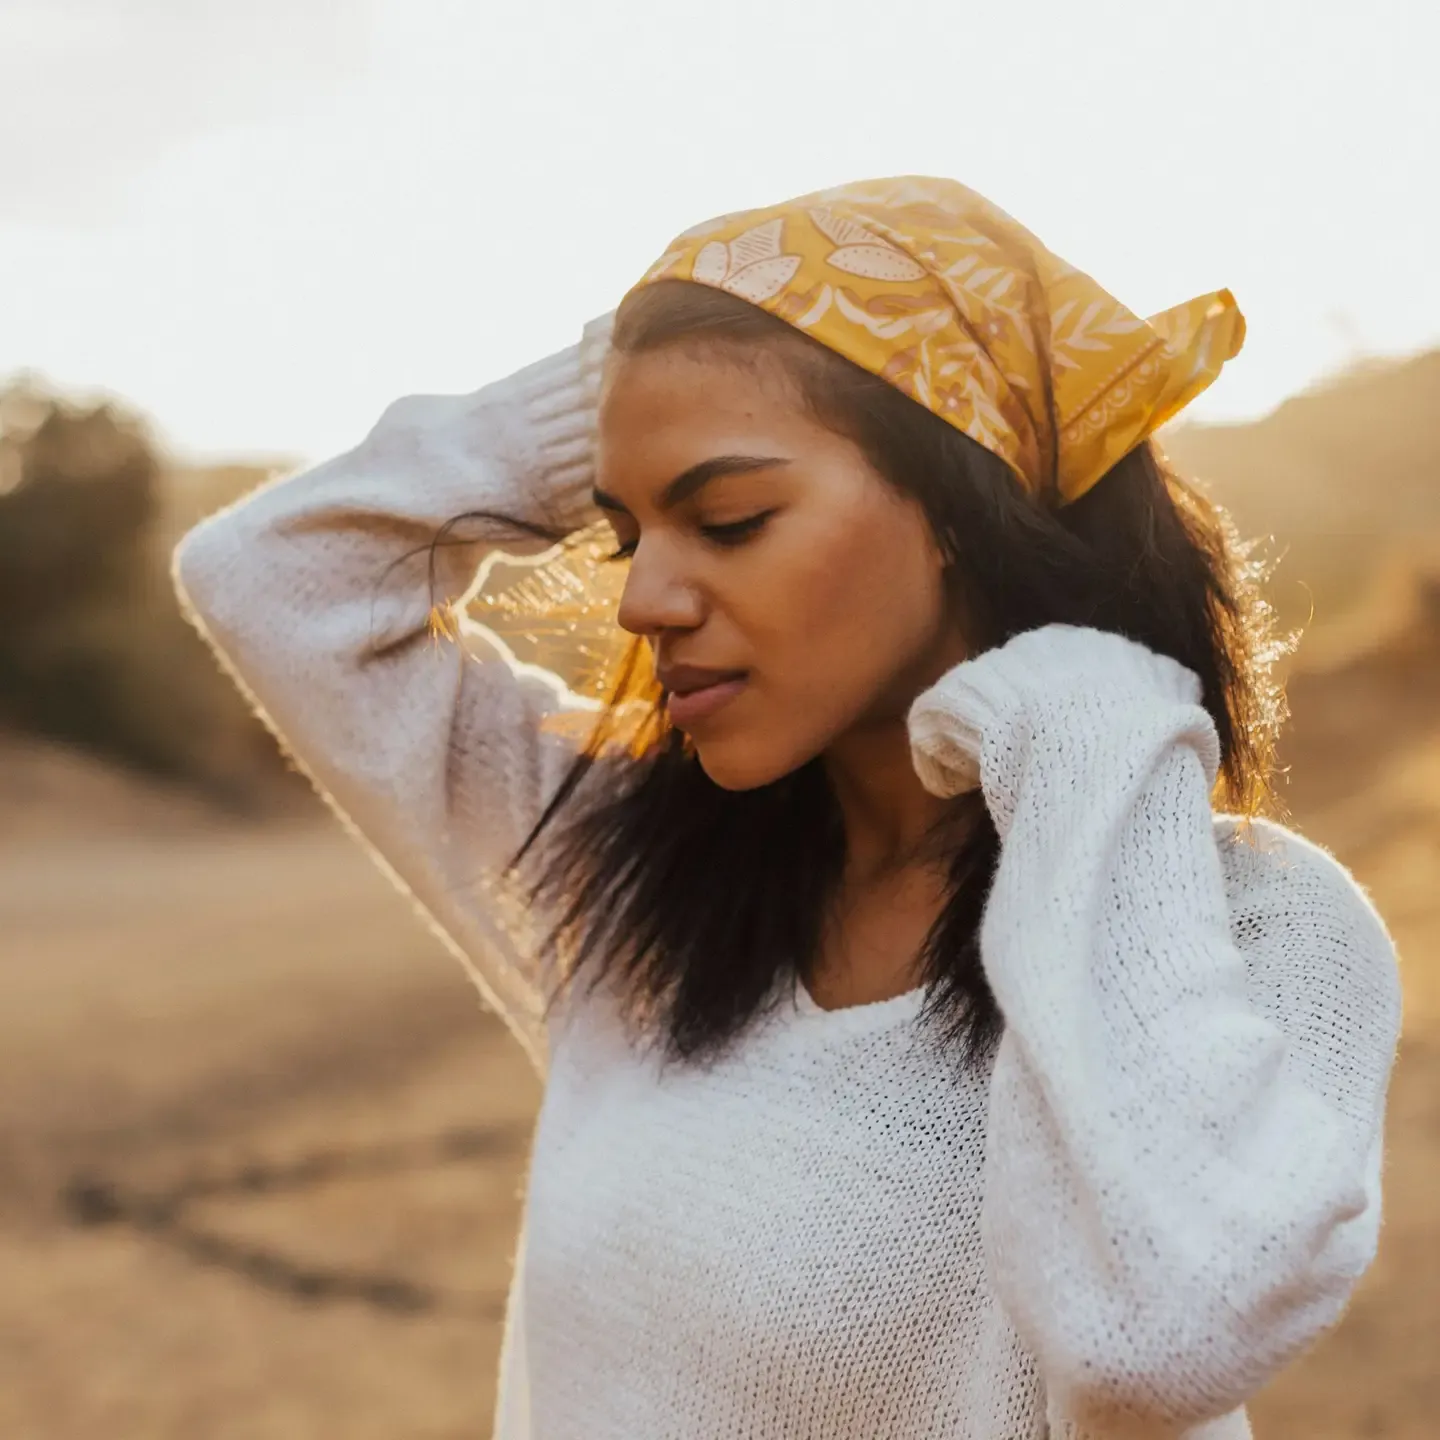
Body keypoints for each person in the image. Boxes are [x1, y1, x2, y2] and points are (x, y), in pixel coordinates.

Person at [173, 176, 1401, 1440]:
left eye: (729, 519)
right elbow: (265, 578)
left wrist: (1086, 726)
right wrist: (649, 358)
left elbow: (1157, 1340)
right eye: (623, 533)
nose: (645, 600)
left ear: (962, 512)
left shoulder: (1256, 925)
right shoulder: (628, 877)